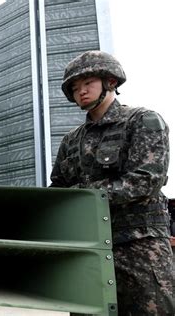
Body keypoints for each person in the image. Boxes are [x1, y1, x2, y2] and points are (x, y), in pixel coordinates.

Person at [50, 50, 173, 315]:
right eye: (74, 87)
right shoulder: (71, 140)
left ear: (111, 82)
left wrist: (83, 195)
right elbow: (58, 190)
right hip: (88, 247)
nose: (80, 91)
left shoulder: (142, 121)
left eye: (87, 83)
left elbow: (145, 180)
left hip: (139, 245)